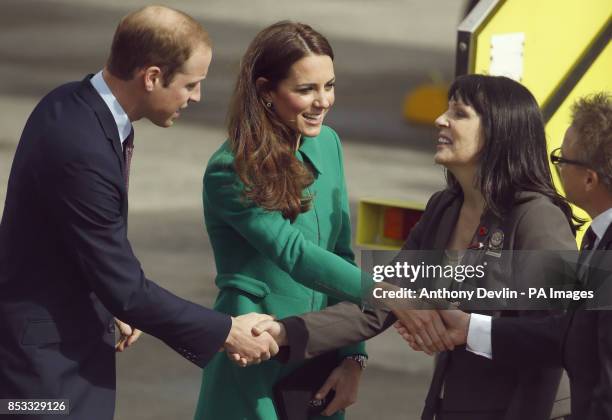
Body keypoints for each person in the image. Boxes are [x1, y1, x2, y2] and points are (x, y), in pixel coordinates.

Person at [0, 6, 277, 420]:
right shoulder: (83, 149)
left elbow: (80, 242)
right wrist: (227, 331)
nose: (197, 96)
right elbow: (126, 288)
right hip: (46, 377)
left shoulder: (67, 103)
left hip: (58, 349)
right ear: (151, 77)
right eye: (191, 84)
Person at [256, 75, 581, 419]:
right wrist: (283, 332)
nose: (441, 119)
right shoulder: (444, 208)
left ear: (499, 132)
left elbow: (561, 336)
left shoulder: (537, 217)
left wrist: (469, 331)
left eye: (459, 113)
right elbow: (382, 299)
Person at [194, 21, 368, 420]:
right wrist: (389, 295)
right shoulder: (230, 169)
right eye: (305, 89)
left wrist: (353, 357)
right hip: (255, 350)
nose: (322, 101)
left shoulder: (329, 143)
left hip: (320, 350)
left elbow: (340, 254)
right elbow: (295, 254)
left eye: (329, 85)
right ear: (265, 91)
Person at [400, 92, 612, 419]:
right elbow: (561, 333)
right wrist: (468, 328)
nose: (555, 167)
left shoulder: (539, 219)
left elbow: (564, 359)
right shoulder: (599, 238)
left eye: (562, 160)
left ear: (589, 178)